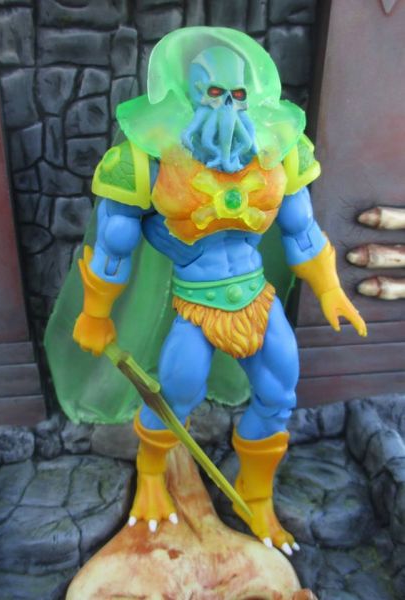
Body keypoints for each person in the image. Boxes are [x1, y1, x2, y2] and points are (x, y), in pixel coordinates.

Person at [54, 27, 366, 556]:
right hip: (194, 305)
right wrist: (96, 314)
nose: (226, 106)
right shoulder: (146, 157)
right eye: (214, 93)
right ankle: (151, 477)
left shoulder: (279, 149)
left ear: (251, 93)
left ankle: (255, 494)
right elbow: (114, 244)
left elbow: (302, 229)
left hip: (257, 297)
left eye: (237, 94)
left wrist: (331, 287)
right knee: (177, 394)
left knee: (280, 393)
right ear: (191, 91)